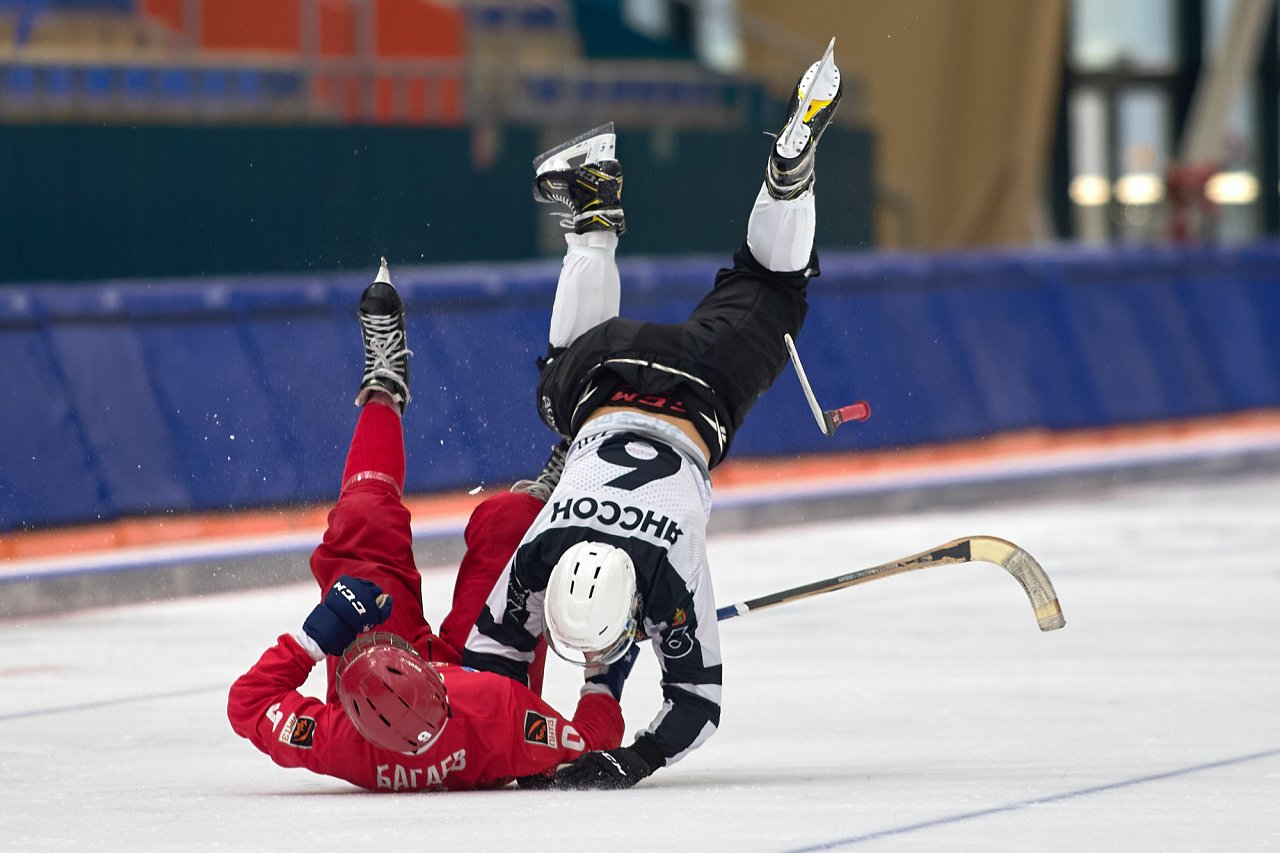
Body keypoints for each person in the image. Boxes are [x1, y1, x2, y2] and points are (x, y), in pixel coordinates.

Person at [463, 41, 843, 789]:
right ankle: (592, 209)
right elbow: (489, 663)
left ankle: (788, 184)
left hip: (703, 388)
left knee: (773, 282)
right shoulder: (544, 546)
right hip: (606, 375)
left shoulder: (666, 570)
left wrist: (628, 759)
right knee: (554, 384)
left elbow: (698, 704)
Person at [227, 259, 625, 792]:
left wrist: (316, 639)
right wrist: (604, 664)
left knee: (362, 518)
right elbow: (592, 742)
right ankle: (544, 495)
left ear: (347, 705)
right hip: (484, 682)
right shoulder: (500, 716)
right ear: (437, 684)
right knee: (514, 526)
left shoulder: (343, 742)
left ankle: (384, 386)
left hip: (407, 687)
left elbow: (247, 701)